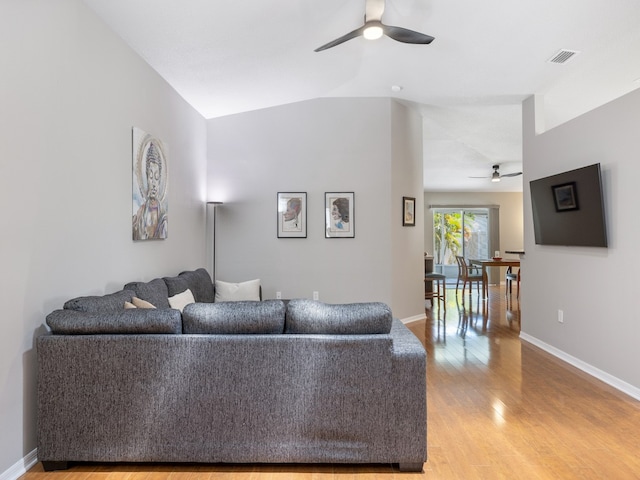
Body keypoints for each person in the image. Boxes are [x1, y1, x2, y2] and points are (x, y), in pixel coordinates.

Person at [132, 142, 168, 240]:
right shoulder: (141, 213)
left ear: (160, 180)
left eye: (156, 177)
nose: (153, 183)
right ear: (147, 177)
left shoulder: (163, 216)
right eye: (151, 176)